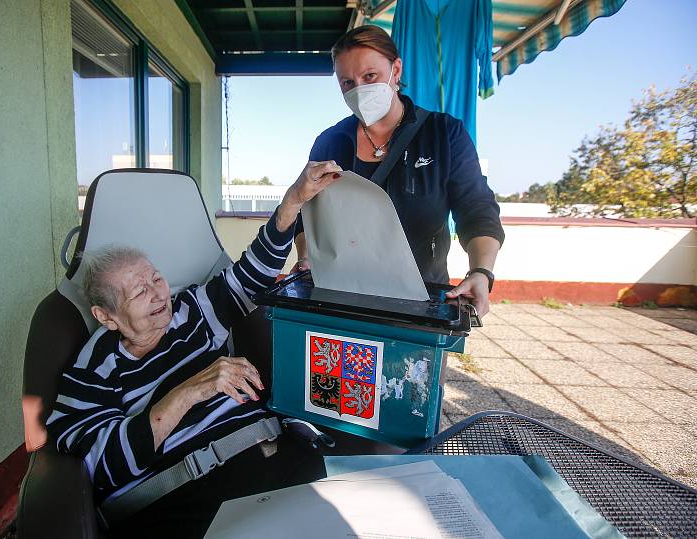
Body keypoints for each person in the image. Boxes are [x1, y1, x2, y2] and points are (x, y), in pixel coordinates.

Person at [46, 161, 342, 537]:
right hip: (192, 496)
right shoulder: (92, 370)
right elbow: (96, 468)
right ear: (106, 317)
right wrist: (188, 391)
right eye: (139, 291)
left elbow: (250, 276)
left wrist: (292, 201)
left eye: (156, 278)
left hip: (281, 456)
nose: (158, 294)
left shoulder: (189, 311)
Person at [293, 25, 505, 317]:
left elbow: (477, 209)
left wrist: (481, 271)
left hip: (421, 303)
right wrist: (306, 257)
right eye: (347, 83)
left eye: (370, 77)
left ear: (396, 70)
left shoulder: (444, 134)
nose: (359, 90)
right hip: (340, 302)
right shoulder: (330, 143)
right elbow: (308, 216)